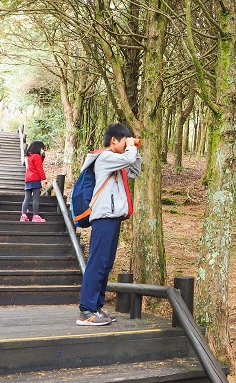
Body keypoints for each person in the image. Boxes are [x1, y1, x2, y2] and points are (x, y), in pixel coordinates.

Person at [77, 123, 141, 326]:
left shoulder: (118, 162)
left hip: (113, 217)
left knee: (105, 265)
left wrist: (134, 149)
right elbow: (128, 158)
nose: (127, 145)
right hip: (103, 217)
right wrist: (132, 147)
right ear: (114, 140)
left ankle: (97, 307)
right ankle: (86, 311)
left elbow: (135, 172)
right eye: (124, 141)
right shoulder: (105, 157)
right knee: (97, 263)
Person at [21, 140, 47, 222]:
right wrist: (43, 177)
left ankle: (23, 215)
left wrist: (42, 156)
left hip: (28, 179)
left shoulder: (29, 156)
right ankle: (35, 216)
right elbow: (39, 168)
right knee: (36, 199)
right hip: (35, 178)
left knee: (27, 197)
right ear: (39, 148)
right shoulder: (37, 156)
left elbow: (37, 163)